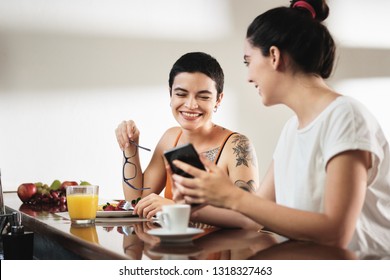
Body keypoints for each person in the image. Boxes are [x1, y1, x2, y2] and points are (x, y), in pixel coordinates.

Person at [171, 0, 390, 257]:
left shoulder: (346, 117)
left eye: (248, 61)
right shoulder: (291, 129)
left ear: (274, 56)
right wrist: (195, 203)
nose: (248, 76)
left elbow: (336, 233)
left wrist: (232, 195)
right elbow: (254, 215)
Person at [115, 52, 260, 229]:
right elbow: (137, 201)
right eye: (181, 94)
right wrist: (130, 148)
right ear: (171, 95)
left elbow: (251, 218)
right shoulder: (170, 139)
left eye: (203, 96)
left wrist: (176, 209)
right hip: (176, 251)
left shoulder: (237, 145)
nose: (191, 105)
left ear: (218, 99)